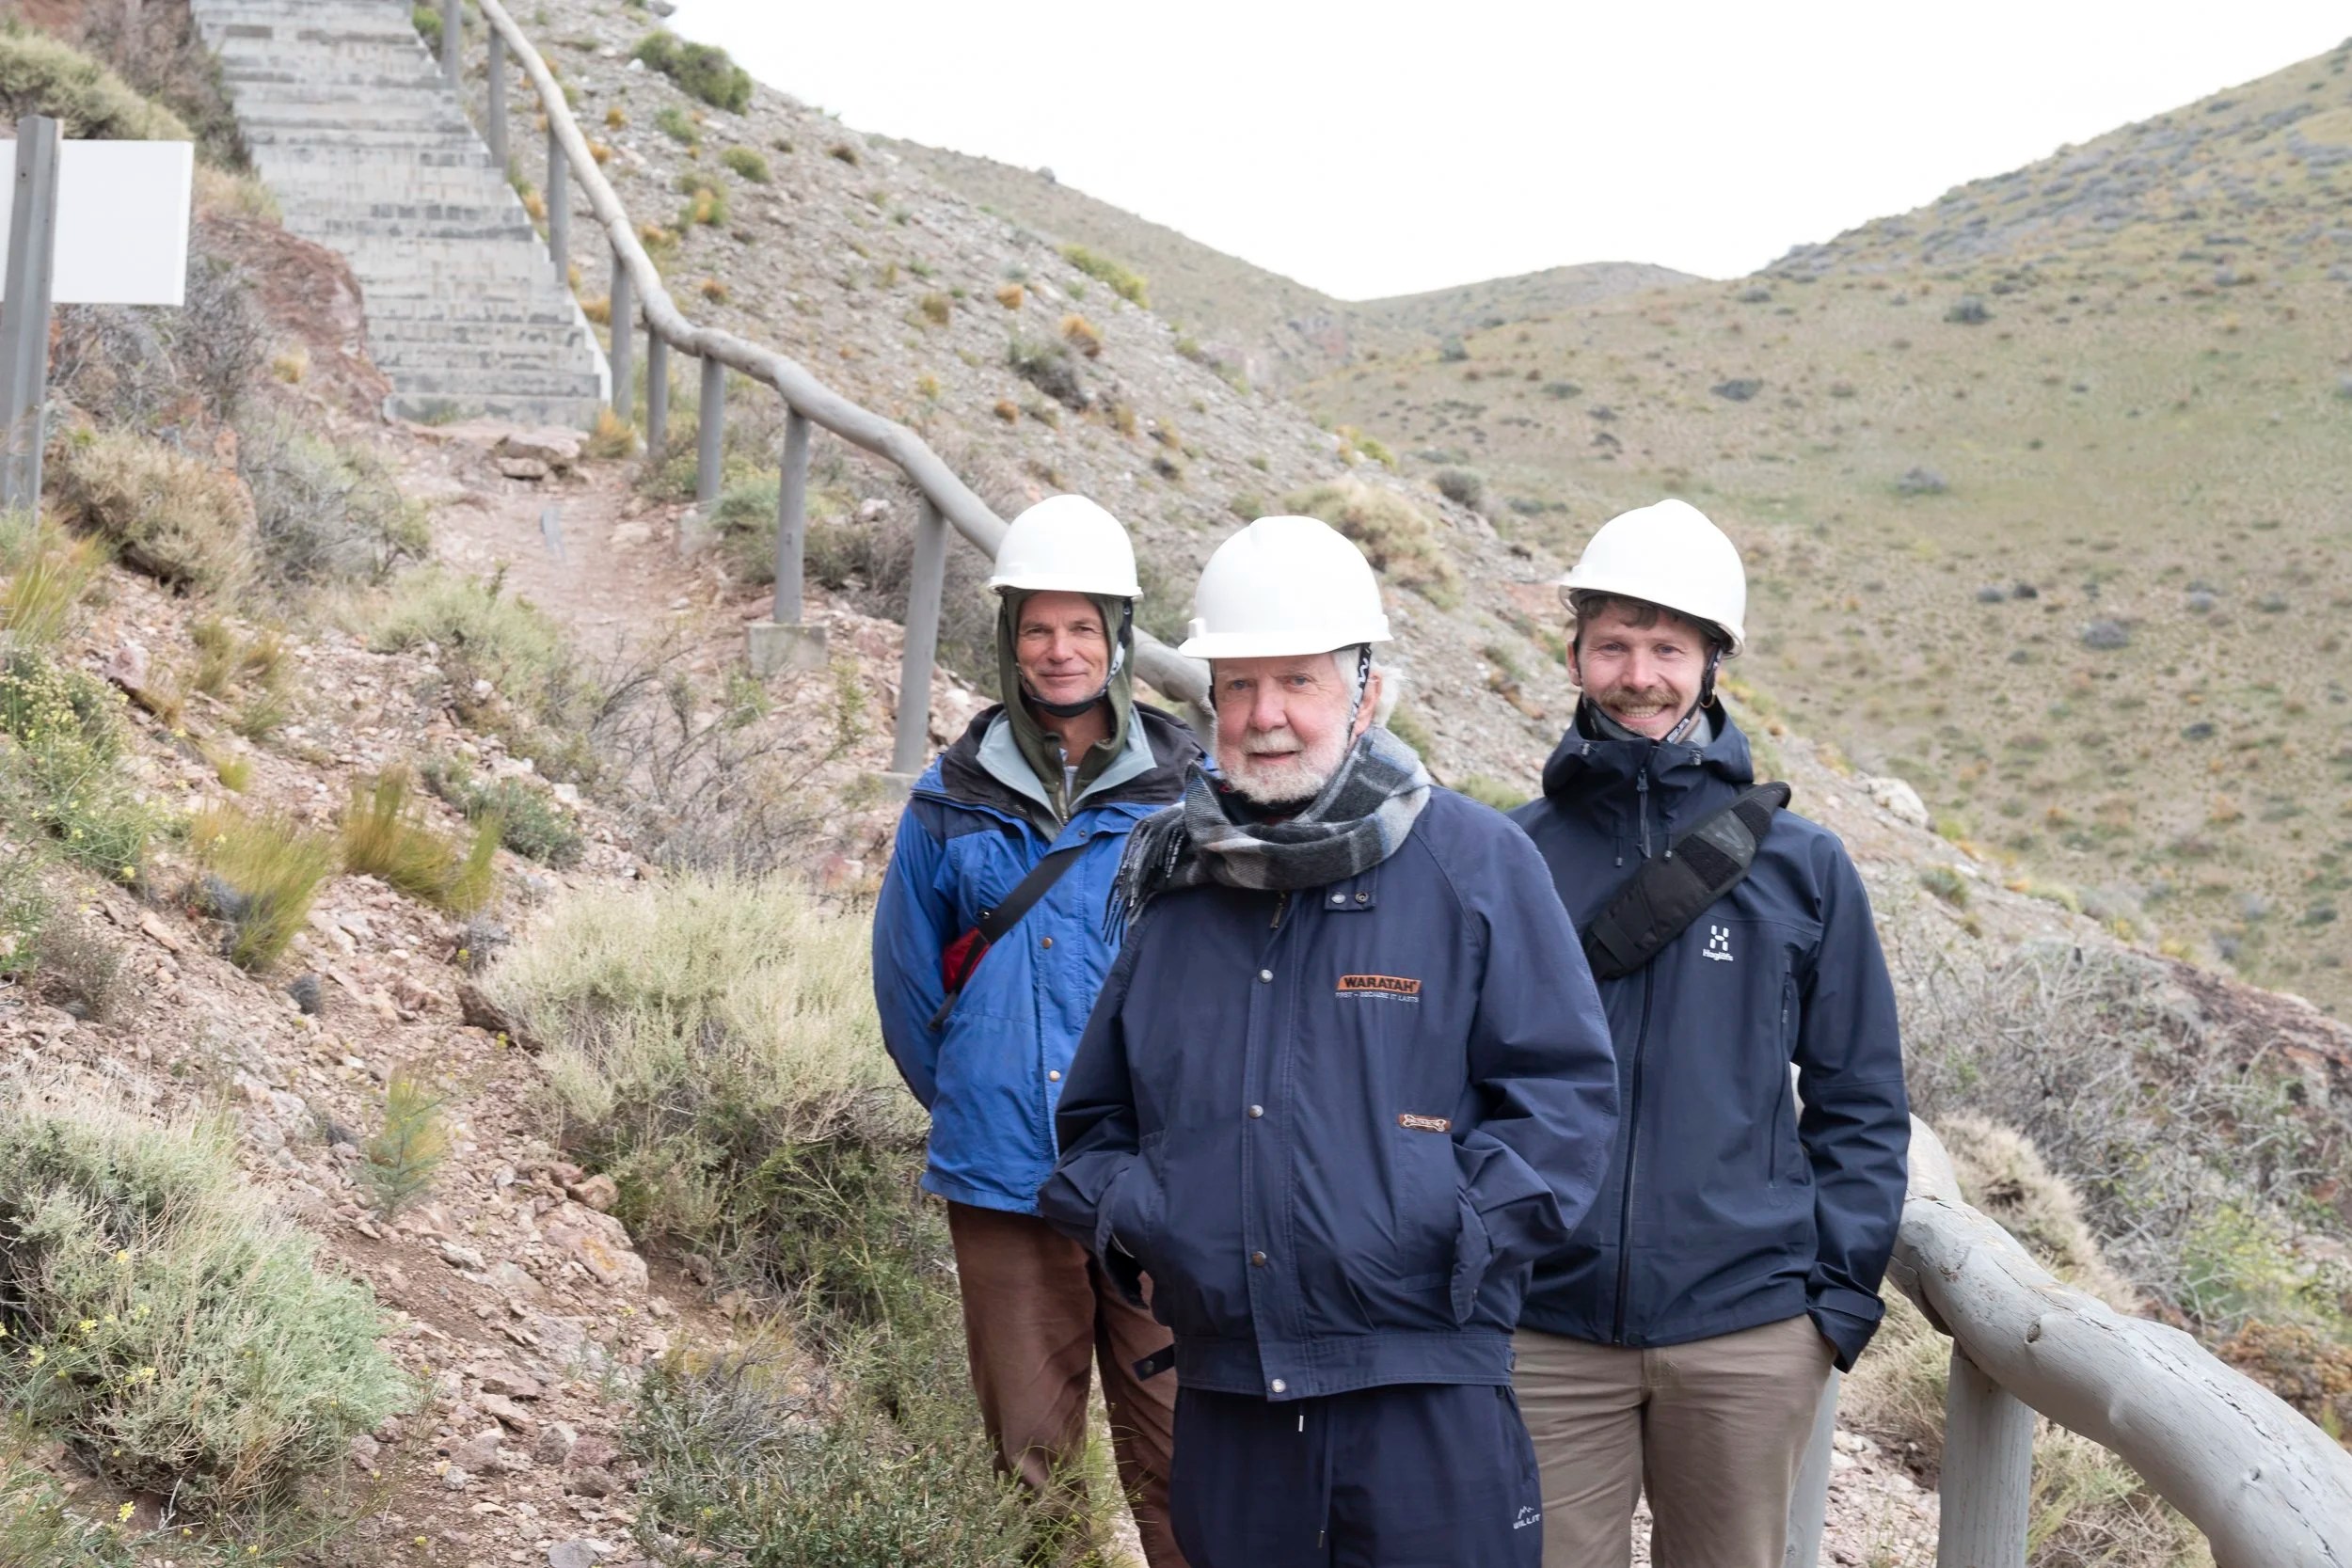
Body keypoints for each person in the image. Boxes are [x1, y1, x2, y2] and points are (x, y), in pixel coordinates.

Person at [1040, 514, 1619, 1568]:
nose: (1266, 716)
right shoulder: (1176, 883)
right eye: (1240, 685)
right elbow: (1095, 1118)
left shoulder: (1475, 863)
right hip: (1229, 1398)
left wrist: (1443, 1227)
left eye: (1298, 681)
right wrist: (1151, 1221)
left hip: (1424, 1393)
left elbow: (1566, 1099)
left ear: (1365, 691)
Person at [1506, 499, 1911, 1568]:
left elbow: (1860, 1095)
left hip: (1746, 1328)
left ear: (1712, 661)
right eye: (1614, 645)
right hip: (1543, 1326)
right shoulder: (1506, 853)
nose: (1640, 673)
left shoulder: (1801, 864)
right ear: (1576, 654)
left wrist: (1829, 1304)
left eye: (1667, 647)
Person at [872, 494, 1201, 1565]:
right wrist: (985, 1087)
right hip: (1003, 1181)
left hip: (1160, 1183)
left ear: (1119, 634)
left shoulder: (1193, 794)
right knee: (1029, 1467)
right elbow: (909, 992)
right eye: (1036, 627)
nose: (1059, 651)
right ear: (1007, 636)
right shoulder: (949, 798)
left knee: (1187, 1465)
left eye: (1082, 627)